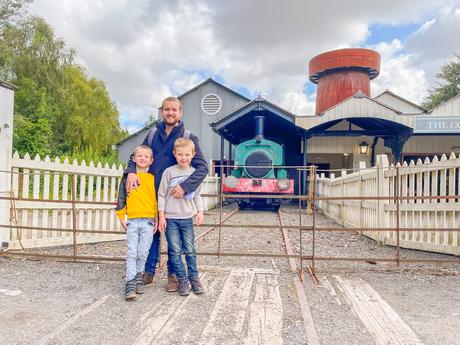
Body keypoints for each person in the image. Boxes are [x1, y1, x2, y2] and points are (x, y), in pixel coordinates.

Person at [123, 96, 208, 292]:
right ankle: (148, 272)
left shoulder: (188, 137)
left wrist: (186, 186)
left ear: (180, 113)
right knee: (151, 233)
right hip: (150, 193)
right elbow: (136, 155)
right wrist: (130, 172)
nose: (170, 113)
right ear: (162, 111)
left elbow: (202, 168)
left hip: (174, 198)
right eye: (166, 109)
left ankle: (173, 275)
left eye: (174, 110)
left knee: (173, 238)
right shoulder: (153, 134)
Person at [158, 138, 204, 296]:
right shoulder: (169, 172)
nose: (183, 158)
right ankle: (182, 279)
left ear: (193, 155)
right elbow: (162, 194)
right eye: (180, 154)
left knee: (190, 250)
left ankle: (194, 278)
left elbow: (197, 196)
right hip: (170, 219)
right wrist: (161, 215)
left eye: (187, 154)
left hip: (187, 218)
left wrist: (200, 211)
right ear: (174, 154)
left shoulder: (194, 174)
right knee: (175, 251)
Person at [116, 145, 158, 301]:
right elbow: (121, 197)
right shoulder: (127, 177)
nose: (142, 158)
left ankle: (139, 276)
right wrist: (121, 215)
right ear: (133, 158)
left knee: (143, 252)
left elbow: (156, 200)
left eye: (146, 157)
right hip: (132, 220)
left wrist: (156, 217)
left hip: (148, 221)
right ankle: (130, 282)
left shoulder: (153, 179)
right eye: (139, 156)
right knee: (132, 252)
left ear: (151, 161)